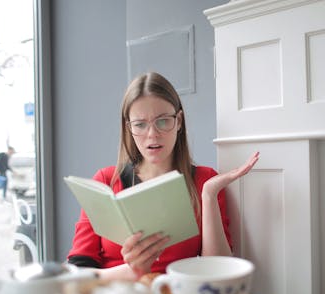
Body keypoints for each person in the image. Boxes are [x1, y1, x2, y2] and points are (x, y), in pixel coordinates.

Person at [67, 72, 259, 281]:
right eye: (140, 124)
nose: (152, 134)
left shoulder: (205, 180)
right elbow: (77, 273)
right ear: (128, 128)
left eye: (163, 121)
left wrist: (209, 196)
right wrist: (133, 271)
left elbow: (217, 273)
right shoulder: (106, 180)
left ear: (179, 121)